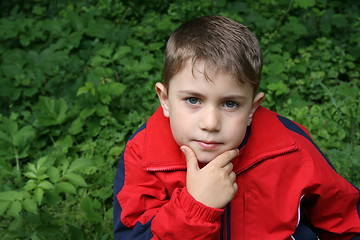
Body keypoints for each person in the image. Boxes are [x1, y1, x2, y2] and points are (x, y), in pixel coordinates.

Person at [113, 15, 360, 239]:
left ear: (252, 108)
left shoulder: (289, 147)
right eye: (193, 100)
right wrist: (195, 207)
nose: (210, 124)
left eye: (230, 104)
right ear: (165, 99)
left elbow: (346, 221)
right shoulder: (144, 153)